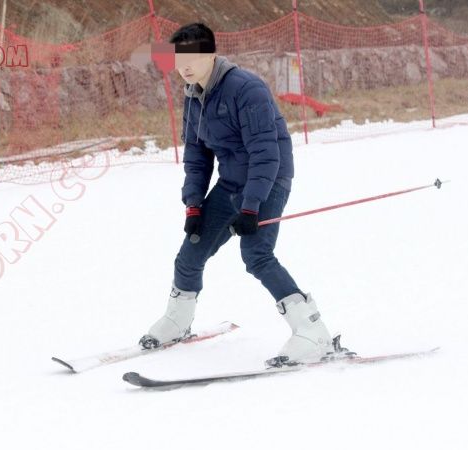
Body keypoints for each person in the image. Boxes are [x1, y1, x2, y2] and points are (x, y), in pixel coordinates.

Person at [139, 23, 335, 366]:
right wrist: (193, 205)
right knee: (190, 254)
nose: (184, 65)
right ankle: (177, 320)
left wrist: (251, 207)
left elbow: (266, 153)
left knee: (257, 254)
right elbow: (197, 157)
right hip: (231, 183)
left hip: (269, 180)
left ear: (211, 54)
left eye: (192, 56)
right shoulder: (193, 97)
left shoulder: (246, 89)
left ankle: (312, 331)